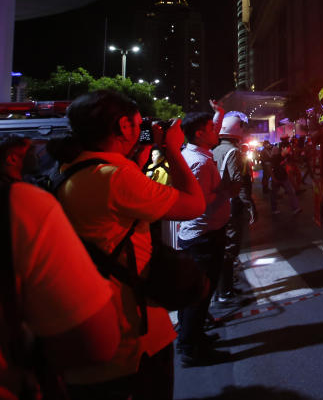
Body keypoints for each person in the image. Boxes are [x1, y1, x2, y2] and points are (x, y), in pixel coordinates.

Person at [49, 90, 206, 399]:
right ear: (123, 127)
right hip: (129, 339)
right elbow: (194, 204)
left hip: (86, 329)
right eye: (137, 123)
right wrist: (172, 149)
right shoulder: (116, 177)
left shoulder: (69, 170)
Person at [1, 134, 120, 399]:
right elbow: (97, 343)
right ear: (11, 158)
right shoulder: (20, 202)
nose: (39, 154)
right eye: (29, 150)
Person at [176, 111, 239, 367]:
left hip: (202, 234)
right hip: (203, 237)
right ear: (200, 134)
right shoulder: (199, 162)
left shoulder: (197, 154)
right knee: (199, 295)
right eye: (211, 128)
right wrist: (224, 192)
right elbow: (198, 203)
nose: (217, 131)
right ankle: (191, 349)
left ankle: (193, 336)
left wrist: (218, 112)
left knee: (196, 294)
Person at [213, 113, 256, 304]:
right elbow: (238, 183)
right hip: (230, 207)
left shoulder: (214, 150)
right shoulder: (234, 152)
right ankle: (225, 291)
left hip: (215, 206)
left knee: (223, 246)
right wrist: (250, 206)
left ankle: (224, 287)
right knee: (230, 247)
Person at [269, 142, 301, 216]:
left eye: (289, 148)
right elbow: (270, 168)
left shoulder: (288, 157)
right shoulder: (276, 157)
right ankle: (274, 209)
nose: (289, 149)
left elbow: (289, 166)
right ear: (283, 148)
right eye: (288, 148)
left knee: (291, 192)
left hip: (285, 178)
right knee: (273, 194)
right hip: (276, 178)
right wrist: (273, 178)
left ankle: (295, 208)